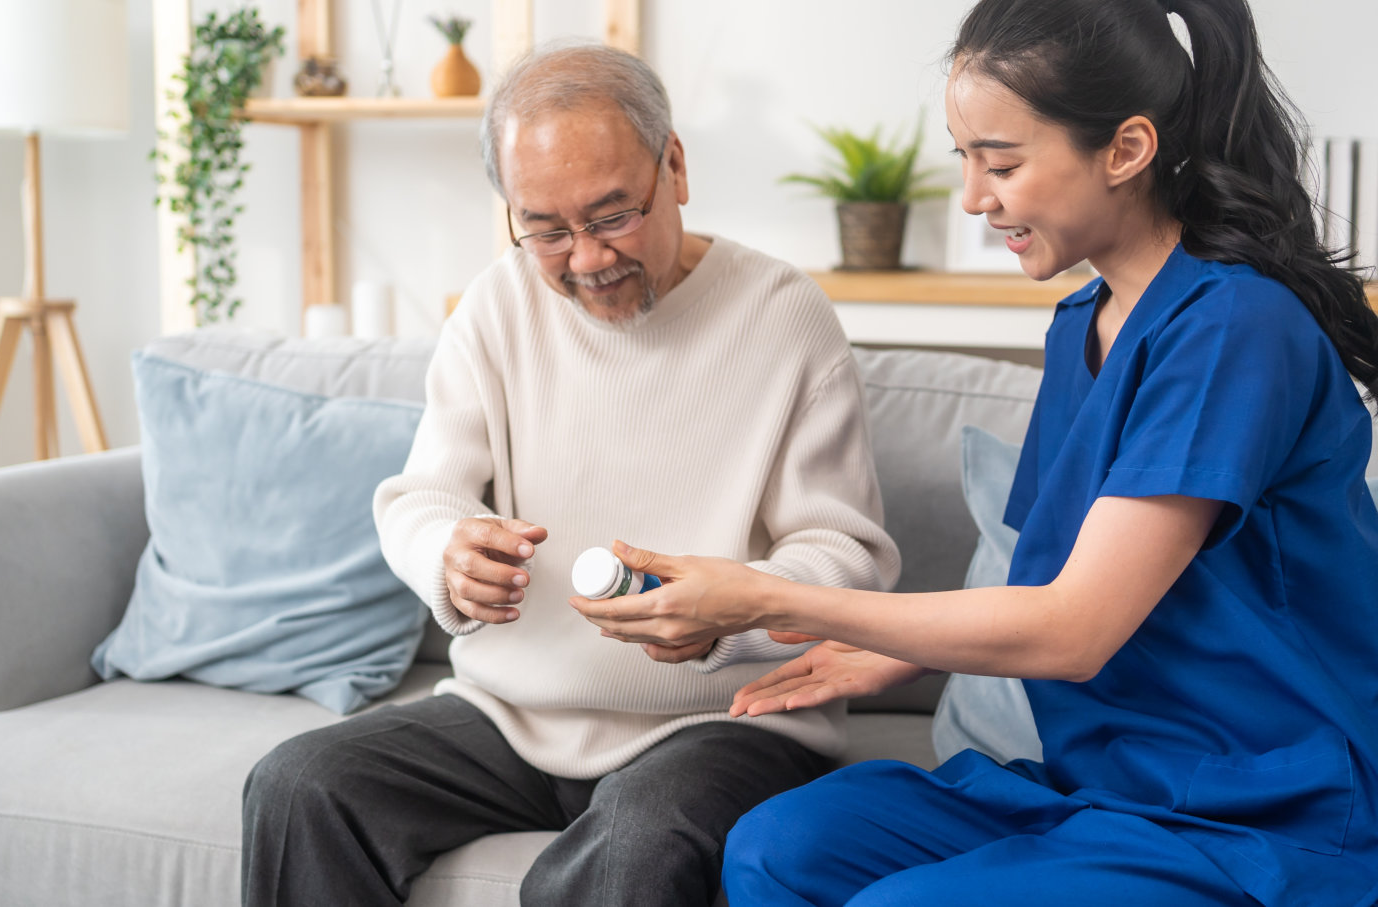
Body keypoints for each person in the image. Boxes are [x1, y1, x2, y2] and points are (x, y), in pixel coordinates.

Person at [572, 0, 1378, 904]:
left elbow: (1073, 628)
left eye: (1001, 162)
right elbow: (1047, 577)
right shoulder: (1084, 325)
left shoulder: (1235, 327)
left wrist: (769, 592)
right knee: (777, 846)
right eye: (965, 159)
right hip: (1116, 789)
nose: (973, 197)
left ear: (1126, 149)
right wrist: (899, 655)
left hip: (1272, 816)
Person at [240, 44, 900, 907]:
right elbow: (421, 497)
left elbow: (848, 553)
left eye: (612, 216)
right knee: (298, 784)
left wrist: (726, 614)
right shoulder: (495, 307)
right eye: (546, 229)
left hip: (723, 724)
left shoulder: (783, 316)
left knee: (640, 839)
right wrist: (448, 553)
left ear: (675, 166)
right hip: (509, 718)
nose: (586, 260)